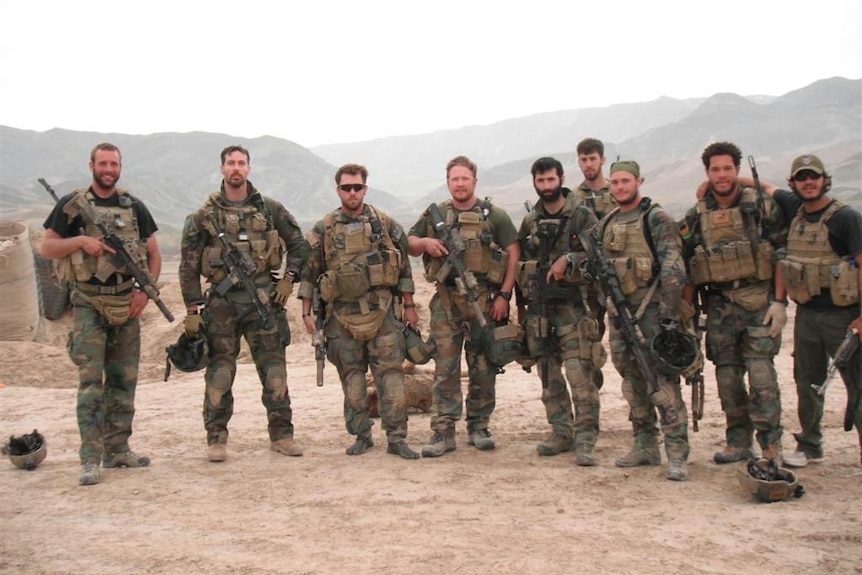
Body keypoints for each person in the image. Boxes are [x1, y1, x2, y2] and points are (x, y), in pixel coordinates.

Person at [41, 142, 163, 486]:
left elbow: (153, 253)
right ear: (91, 165)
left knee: (124, 380)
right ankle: (90, 458)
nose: (108, 169)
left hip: (127, 303)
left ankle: (118, 448)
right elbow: (47, 247)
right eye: (103, 163)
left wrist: (144, 292)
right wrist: (80, 243)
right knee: (91, 383)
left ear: (120, 167)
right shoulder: (73, 206)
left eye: (114, 163)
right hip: (89, 304)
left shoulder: (133, 206)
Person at [179, 145, 308, 462]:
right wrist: (192, 310)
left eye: (241, 163)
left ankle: (282, 435)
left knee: (275, 372)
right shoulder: (204, 217)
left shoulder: (270, 210)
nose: (236, 168)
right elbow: (188, 266)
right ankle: (216, 439)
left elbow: (301, 247)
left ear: (249, 168)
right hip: (222, 305)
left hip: (264, 302)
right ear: (222, 169)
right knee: (220, 373)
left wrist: (289, 280)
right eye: (230, 163)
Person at [735, 154, 861, 467]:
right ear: (795, 183)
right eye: (802, 178)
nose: (808, 182)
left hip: (844, 317)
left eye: (813, 177)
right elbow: (764, 185)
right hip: (807, 314)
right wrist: (710, 183)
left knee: (857, 384)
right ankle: (810, 444)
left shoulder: (846, 218)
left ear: (824, 179)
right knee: (807, 381)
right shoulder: (794, 208)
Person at [298, 163, 421, 460]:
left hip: (382, 316)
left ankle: (397, 438)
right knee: (352, 381)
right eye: (346, 188)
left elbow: (403, 262)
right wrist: (306, 311)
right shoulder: (325, 228)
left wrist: (409, 305)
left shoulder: (384, 222)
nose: (352, 193)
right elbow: (309, 270)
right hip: (342, 318)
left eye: (357, 187)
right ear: (338, 190)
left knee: (391, 379)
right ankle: (361, 435)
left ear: (365, 188)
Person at [680, 141, 788, 465]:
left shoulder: (761, 206)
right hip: (719, 306)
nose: (722, 174)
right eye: (715, 169)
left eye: (728, 168)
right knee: (727, 378)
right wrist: (687, 313)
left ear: (737, 171)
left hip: (757, 303)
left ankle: (771, 445)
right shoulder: (697, 214)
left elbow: (782, 253)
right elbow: (687, 265)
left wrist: (780, 302)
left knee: (762, 377)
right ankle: (738, 441)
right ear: (707, 172)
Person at [408, 155, 521, 457]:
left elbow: (513, 251)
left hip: (484, 301)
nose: (460, 184)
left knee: (484, 367)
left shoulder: (493, 215)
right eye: (454, 179)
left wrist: (505, 296)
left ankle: (479, 426)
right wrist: (426, 245)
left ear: (475, 181)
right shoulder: (436, 214)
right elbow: (410, 241)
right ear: (448, 183)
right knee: (445, 370)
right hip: (446, 303)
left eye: (465, 179)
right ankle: (443, 433)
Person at [589, 160, 691, 481]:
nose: (619, 187)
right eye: (615, 182)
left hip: (652, 314)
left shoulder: (656, 219)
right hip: (620, 315)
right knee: (632, 381)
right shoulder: (606, 225)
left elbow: (674, 268)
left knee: (661, 382)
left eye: (625, 181)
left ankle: (677, 453)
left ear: (638, 181)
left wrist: (668, 317)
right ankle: (645, 444)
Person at [517, 157, 603, 465]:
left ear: (561, 179)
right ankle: (561, 431)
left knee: (581, 375)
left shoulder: (580, 215)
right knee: (549, 375)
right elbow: (520, 265)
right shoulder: (531, 221)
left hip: (573, 307)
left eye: (551, 180)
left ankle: (586, 438)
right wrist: (524, 311)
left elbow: (599, 252)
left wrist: (570, 258)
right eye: (540, 182)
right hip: (541, 310)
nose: (546, 187)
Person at [573, 138, 616, 220]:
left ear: (602, 160)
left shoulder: (617, 192)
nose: (588, 164)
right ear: (579, 162)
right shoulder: (573, 198)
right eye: (584, 160)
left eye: (592, 159)